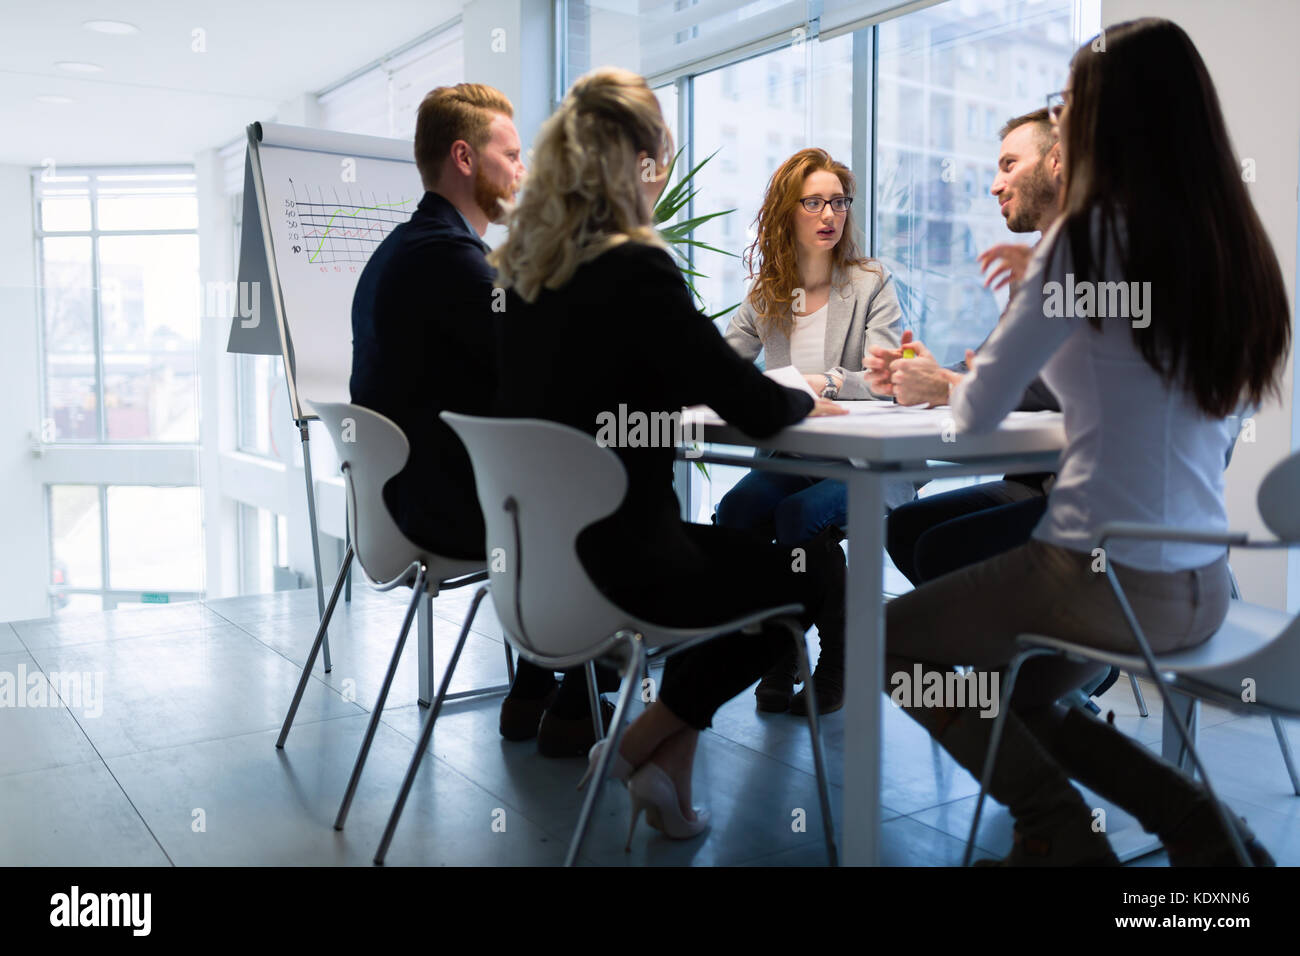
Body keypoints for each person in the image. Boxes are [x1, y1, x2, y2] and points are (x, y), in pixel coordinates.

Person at [883, 17, 1289, 865]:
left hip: (1093, 577)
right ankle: (1202, 830)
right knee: (1025, 697)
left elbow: (977, 411)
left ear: (1110, 115)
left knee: (887, 644)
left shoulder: (1087, 236)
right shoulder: (1229, 246)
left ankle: (1063, 833)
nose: (1059, 120)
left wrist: (964, 367)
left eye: (1069, 103)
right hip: (1200, 581)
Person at [489, 67, 848, 847]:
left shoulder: (521, 278)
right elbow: (749, 404)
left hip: (536, 569)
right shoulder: (633, 267)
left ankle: (668, 778)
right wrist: (802, 397)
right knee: (806, 573)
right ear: (640, 165)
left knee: (742, 553)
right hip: (628, 568)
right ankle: (636, 741)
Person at [350, 84, 610, 755]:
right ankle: (575, 702)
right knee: (588, 493)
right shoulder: (450, 262)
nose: (523, 171)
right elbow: (543, 371)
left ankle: (536, 692)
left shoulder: (400, 250)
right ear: (465, 158)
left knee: (548, 476)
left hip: (399, 501)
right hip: (445, 509)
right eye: (512, 155)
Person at [715, 148, 905, 717]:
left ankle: (837, 661)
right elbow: (724, 364)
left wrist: (826, 382)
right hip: (790, 457)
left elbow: (886, 377)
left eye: (839, 202)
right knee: (738, 512)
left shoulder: (870, 281)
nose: (830, 215)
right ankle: (778, 650)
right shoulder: (768, 291)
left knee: (799, 518)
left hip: (863, 464)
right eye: (814, 202)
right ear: (785, 212)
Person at [872, 108, 1062, 589]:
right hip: (1028, 480)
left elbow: (1047, 380)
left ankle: (1032, 652)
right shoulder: (1037, 261)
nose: (995, 186)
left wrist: (949, 384)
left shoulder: (1090, 256)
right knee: (906, 528)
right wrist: (923, 377)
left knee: (937, 547)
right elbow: (994, 359)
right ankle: (1000, 651)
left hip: (1073, 492)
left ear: (1055, 161)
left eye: (1008, 164)